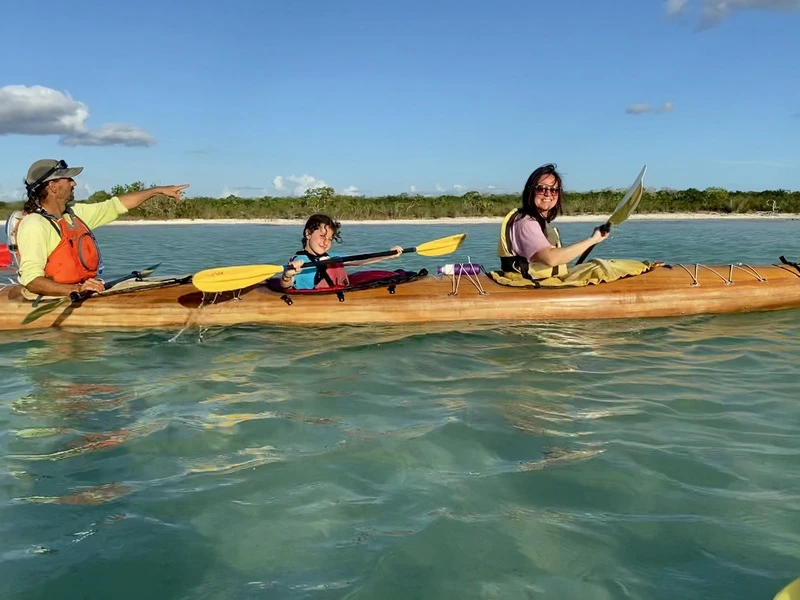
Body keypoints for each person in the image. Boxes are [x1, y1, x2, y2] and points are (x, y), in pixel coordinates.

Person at [13, 159, 188, 297]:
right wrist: (76, 289)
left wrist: (156, 191)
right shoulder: (34, 225)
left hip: (83, 291)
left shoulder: (75, 214)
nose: (74, 183)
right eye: (68, 179)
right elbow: (31, 280)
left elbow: (115, 205)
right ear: (52, 186)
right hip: (56, 296)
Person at [498, 163, 608, 280]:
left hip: (544, 283)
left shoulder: (537, 220)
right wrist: (592, 240)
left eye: (554, 190)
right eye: (541, 189)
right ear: (530, 191)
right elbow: (551, 258)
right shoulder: (525, 222)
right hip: (532, 288)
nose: (548, 194)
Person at [279, 213, 402, 289]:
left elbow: (359, 261)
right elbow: (286, 286)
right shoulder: (298, 262)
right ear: (308, 234)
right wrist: (287, 275)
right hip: (314, 301)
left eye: (330, 239)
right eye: (322, 236)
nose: (326, 242)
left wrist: (388, 255)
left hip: (336, 294)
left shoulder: (331, 257)